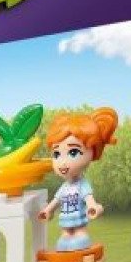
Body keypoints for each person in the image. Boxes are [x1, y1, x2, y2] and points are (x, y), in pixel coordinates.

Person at [37, 108, 119, 251]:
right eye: (56, 154)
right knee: (64, 241)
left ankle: (80, 237)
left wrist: (93, 207)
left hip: (79, 221)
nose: (62, 162)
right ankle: (67, 239)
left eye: (73, 152)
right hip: (65, 221)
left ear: (92, 152)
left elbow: (89, 199)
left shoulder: (82, 185)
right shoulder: (64, 187)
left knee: (80, 238)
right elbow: (56, 200)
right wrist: (47, 211)